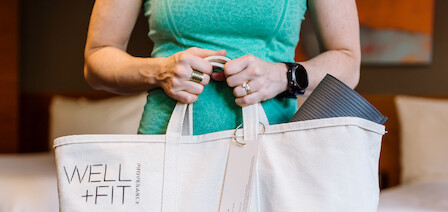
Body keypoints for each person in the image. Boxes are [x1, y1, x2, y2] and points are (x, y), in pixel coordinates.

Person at [84, 0, 360, 135]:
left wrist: (282, 76)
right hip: (167, 148)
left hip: (272, 150)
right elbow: (97, 58)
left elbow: (348, 63)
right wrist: (160, 71)